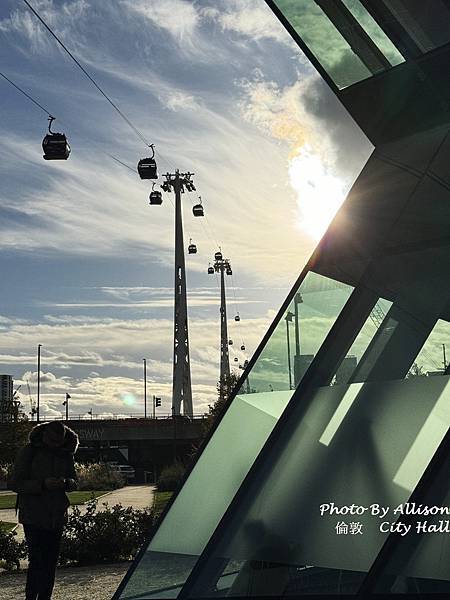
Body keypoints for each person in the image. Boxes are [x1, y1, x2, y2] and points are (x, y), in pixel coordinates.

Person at [9, 420, 79, 600]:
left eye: (59, 441)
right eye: (53, 441)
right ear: (45, 436)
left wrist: (66, 483)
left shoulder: (66, 454)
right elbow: (15, 483)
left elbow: (74, 481)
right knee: (37, 561)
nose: (56, 445)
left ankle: (45, 597)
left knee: (50, 563)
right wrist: (42, 484)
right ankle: (31, 597)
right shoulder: (30, 451)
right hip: (33, 514)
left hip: (56, 514)